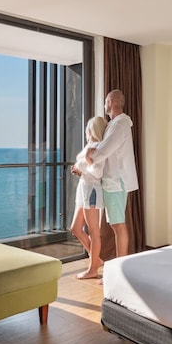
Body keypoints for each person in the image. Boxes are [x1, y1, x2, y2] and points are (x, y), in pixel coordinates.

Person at [87, 89, 138, 258]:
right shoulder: (115, 124)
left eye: (105, 103)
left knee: (118, 225)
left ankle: (120, 264)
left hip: (116, 181)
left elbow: (105, 149)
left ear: (110, 102)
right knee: (116, 224)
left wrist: (90, 157)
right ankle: (120, 262)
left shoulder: (120, 124)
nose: (104, 106)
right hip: (113, 181)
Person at [70, 116, 108, 280]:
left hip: (91, 191)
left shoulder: (98, 148)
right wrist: (79, 171)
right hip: (84, 190)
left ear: (92, 130)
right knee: (75, 228)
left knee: (94, 232)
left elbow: (97, 173)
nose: (86, 131)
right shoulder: (90, 146)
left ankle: (93, 269)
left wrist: (85, 161)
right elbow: (86, 169)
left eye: (88, 129)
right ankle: (96, 260)